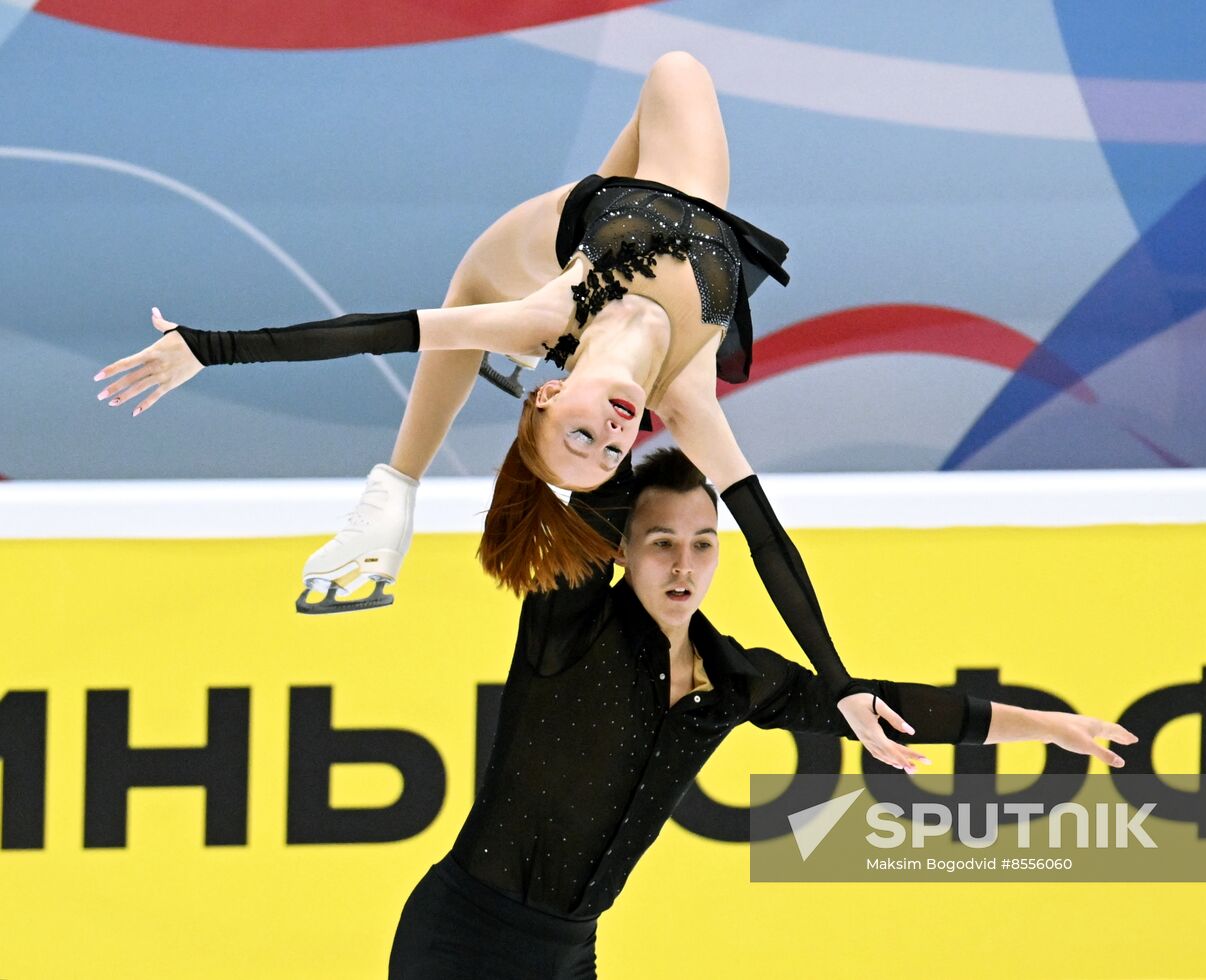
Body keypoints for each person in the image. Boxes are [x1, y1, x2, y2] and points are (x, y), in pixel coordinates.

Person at [92, 51, 940, 767]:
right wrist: (842, 686)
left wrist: (207, 345)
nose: (611, 434)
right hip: (684, 228)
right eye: (610, 452)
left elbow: (379, 331)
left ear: (548, 387)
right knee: (679, 74)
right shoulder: (685, 395)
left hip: (565, 240)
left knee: (463, 299)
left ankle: (393, 488)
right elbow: (769, 543)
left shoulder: (544, 319)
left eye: (579, 434)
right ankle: (395, 500)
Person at [382, 446, 1137, 978]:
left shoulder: (738, 681)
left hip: (570, 950)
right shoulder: (571, 628)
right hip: (464, 939)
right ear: (620, 550)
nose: (684, 565)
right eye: (662, 543)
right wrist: (639, 349)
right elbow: (597, 469)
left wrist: (1051, 727)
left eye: (703, 544)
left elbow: (883, 706)